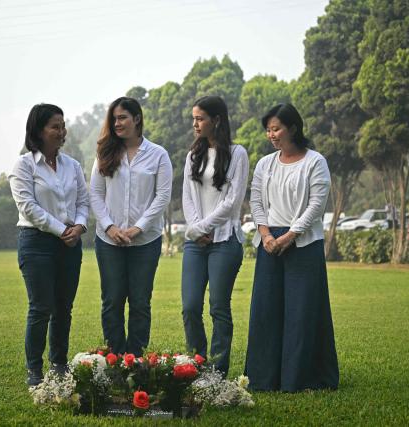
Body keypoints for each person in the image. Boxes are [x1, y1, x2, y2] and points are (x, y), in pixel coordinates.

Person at [244, 103, 339, 392]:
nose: (271, 135)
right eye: (268, 130)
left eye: (276, 128)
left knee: (302, 311)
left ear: (293, 128)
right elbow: (256, 201)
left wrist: (290, 236)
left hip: (303, 244)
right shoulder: (265, 164)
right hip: (269, 242)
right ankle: (263, 379)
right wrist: (266, 234)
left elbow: (316, 204)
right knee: (266, 310)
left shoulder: (315, 161)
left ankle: (300, 379)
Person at [9, 103, 89, 386]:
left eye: (62, 125)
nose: (61, 131)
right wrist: (62, 229)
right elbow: (28, 207)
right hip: (37, 243)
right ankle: (34, 370)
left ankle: (59, 364)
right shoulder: (24, 165)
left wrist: (78, 227)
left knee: (63, 308)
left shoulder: (74, 166)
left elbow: (83, 202)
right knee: (41, 307)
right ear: (38, 130)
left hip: (70, 244)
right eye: (55, 126)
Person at [90, 96, 173, 356]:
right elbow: (95, 194)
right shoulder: (104, 152)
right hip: (109, 242)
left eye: (122, 117)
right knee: (112, 301)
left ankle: (135, 361)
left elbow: (162, 196)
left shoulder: (158, 154)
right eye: (114, 118)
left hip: (145, 242)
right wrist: (110, 227)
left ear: (137, 119)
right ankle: (114, 359)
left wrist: (138, 228)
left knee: (139, 302)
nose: (117, 123)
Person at [181, 95, 248, 376]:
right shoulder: (192, 155)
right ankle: (197, 366)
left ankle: (217, 372)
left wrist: (202, 227)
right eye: (194, 118)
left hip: (225, 241)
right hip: (197, 243)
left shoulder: (237, 153)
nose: (195, 124)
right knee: (190, 307)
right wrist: (196, 229)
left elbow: (232, 202)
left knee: (219, 307)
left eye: (200, 118)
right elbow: (187, 196)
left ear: (216, 120)